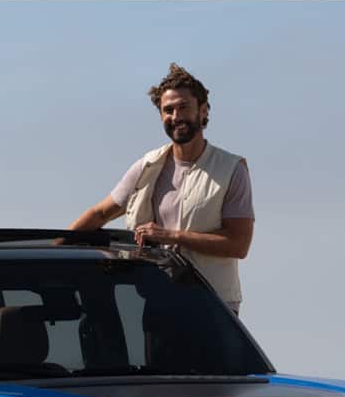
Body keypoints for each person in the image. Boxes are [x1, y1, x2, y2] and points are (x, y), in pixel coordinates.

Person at [69, 63, 256, 315]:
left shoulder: (232, 169)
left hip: (215, 306)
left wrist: (169, 236)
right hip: (160, 303)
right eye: (168, 110)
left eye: (183, 107)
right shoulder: (148, 166)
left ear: (203, 111)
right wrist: (56, 245)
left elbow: (238, 244)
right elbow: (101, 213)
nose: (176, 116)